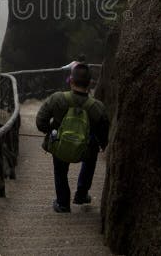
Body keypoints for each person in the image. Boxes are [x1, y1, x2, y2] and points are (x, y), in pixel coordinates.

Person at [36, 63, 109, 213]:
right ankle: (81, 194)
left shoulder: (57, 99)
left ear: (70, 80)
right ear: (89, 83)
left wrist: (51, 131)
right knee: (91, 154)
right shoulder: (97, 107)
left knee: (60, 170)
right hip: (86, 151)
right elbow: (104, 135)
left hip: (60, 147)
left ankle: (63, 203)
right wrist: (101, 143)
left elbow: (40, 121)